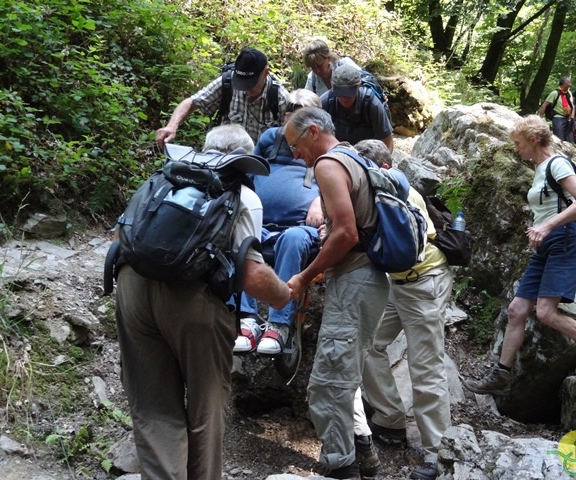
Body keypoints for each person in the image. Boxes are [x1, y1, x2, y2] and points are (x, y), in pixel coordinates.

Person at [115, 124, 291, 480]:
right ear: (244, 156)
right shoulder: (242, 195)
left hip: (132, 288)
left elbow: (120, 234)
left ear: (206, 147)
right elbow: (252, 276)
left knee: (153, 408)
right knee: (205, 407)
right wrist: (285, 294)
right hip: (194, 302)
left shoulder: (163, 178)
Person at [463, 115, 576, 398]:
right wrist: (539, 227)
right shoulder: (540, 169)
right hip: (547, 244)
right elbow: (549, 207)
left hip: (565, 241)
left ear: (533, 140)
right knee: (516, 309)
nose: (516, 149)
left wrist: (546, 225)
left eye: (519, 143)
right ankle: (500, 375)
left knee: (545, 313)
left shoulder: (557, 164)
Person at [285, 107, 390, 479]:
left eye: (295, 145)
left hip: (356, 280)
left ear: (313, 132)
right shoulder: (355, 157)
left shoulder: (330, 165)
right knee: (345, 376)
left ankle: (339, 467)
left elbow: (347, 233)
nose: (295, 154)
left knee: (327, 385)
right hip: (370, 281)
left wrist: (305, 274)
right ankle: (363, 455)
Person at [355, 139, 454, 480]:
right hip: (399, 284)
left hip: (424, 283)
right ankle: (390, 418)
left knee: (425, 368)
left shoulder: (399, 192)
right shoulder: (378, 190)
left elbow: (418, 239)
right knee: (367, 344)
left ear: (380, 168)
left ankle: (437, 453)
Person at [232, 89, 324, 355]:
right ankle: (246, 321)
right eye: (289, 108)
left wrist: (321, 201)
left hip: (299, 227)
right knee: (238, 237)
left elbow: (338, 182)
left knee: (293, 239)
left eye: (299, 109)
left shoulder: (321, 146)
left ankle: (278, 324)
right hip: (260, 223)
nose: (291, 112)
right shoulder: (270, 139)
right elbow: (249, 170)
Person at [156, 48, 289, 146]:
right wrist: (172, 126)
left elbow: (291, 138)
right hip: (225, 154)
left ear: (266, 73)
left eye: (251, 83)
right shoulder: (228, 82)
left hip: (261, 161)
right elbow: (192, 102)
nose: (246, 89)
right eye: (242, 83)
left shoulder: (280, 98)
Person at [321, 64, 394, 152]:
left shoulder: (372, 104)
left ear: (358, 86)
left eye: (349, 92)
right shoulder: (325, 102)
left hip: (367, 154)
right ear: (333, 87)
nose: (344, 97)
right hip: (336, 152)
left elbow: (387, 141)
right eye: (340, 92)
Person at [539, 75, 575, 143]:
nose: (570, 84)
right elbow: (544, 105)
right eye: (569, 83)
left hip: (568, 118)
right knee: (559, 139)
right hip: (558, 118)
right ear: (564, 84)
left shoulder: (569, 93)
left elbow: (572, 106)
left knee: (570, 140)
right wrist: (540, 119)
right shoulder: (555, 93)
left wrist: (572, 118)